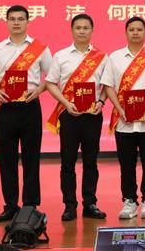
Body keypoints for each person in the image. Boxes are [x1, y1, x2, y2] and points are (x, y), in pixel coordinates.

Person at [0, 5, 54, 222]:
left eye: (20, 19)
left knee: (31, 158)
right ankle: (10, 205)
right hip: (6, 108)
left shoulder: (39, 49)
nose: (16, 22)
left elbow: (52, 77)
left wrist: (38, 90)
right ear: (7, 22)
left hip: (30, 107)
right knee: (7, 159)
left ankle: (30, 205)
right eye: (12, 19)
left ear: (27, 22)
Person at [101, 16, 145, 220]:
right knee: (126, 165)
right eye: (132, 29)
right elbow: (108, 86)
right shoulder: (115, 57)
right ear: (126, 33)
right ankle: (129, 200)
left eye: (139, 29)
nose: (135, 33)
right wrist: (119, 108)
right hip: (124, 122)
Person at [46, 14, 109, 221]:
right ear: (72, 30)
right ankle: (69, 205)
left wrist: (101, 102)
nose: (82, 31)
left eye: (86, 28)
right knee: (68, 162)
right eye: (78, 27)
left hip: (92, 116)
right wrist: (66, 103)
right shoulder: (61, 56)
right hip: (69, 115)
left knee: (91, 162)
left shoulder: (102, 57)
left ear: (92, 31)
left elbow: (107, 85)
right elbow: (51, 83)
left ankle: (90, 203)